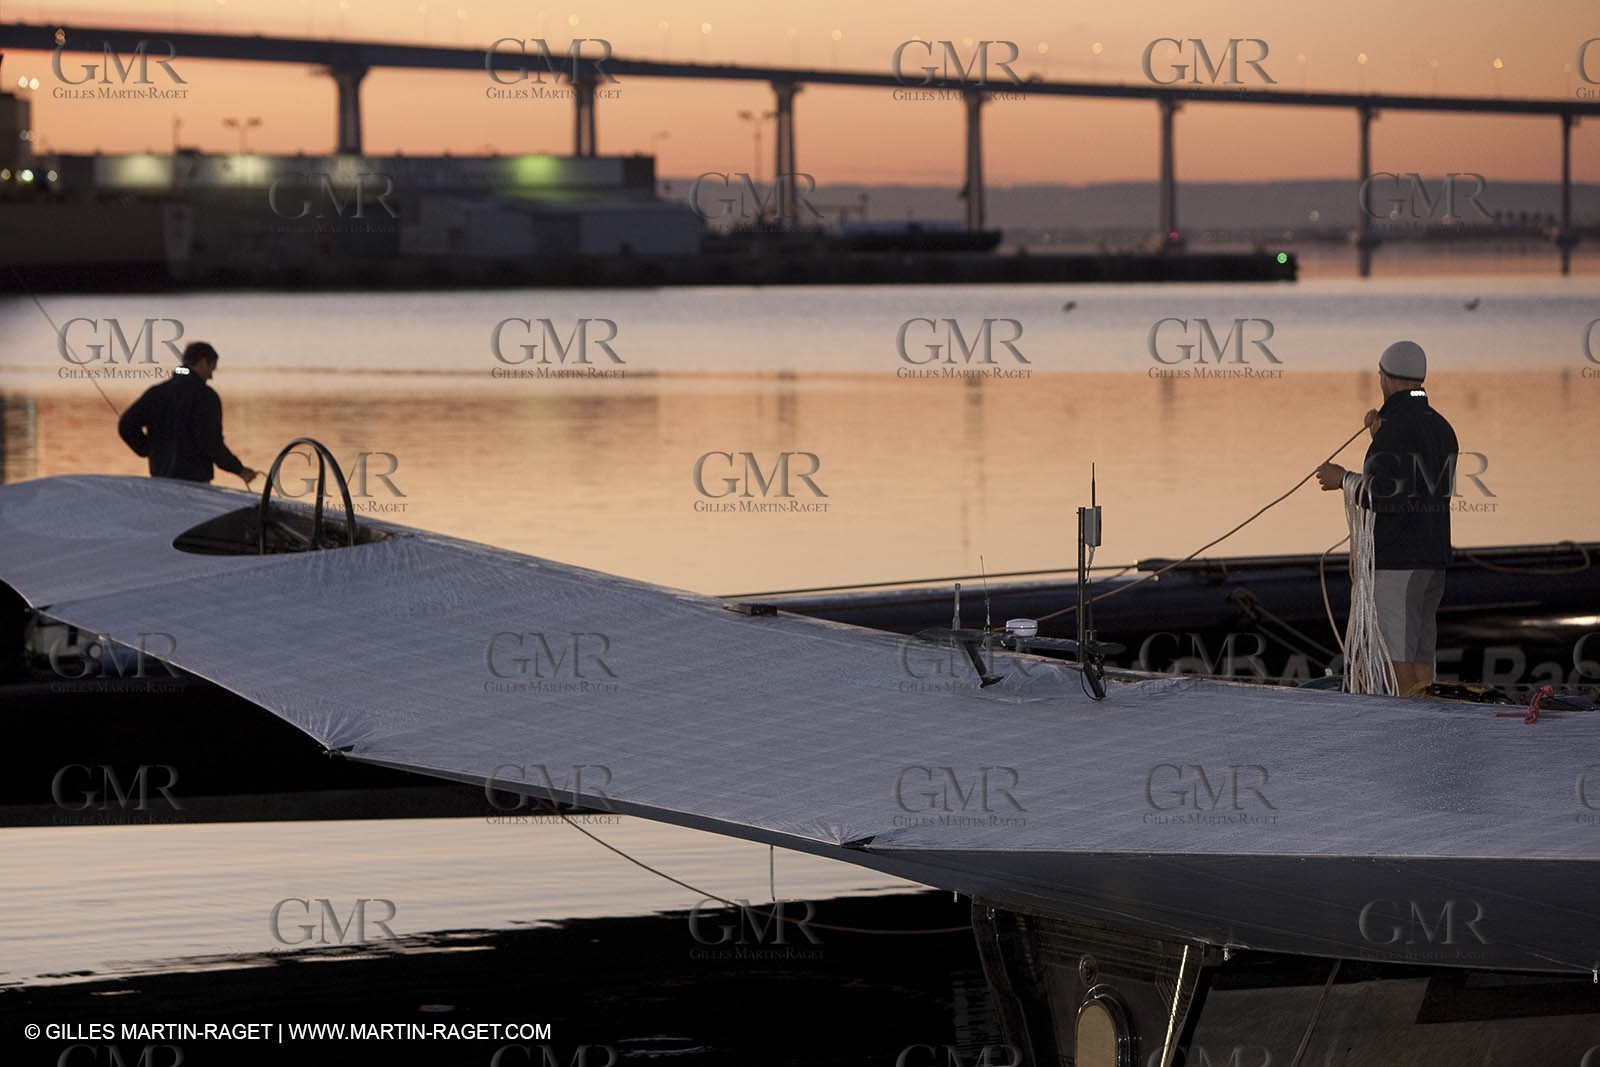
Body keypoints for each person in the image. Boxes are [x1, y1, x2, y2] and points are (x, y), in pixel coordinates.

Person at [1316, 340, 1459, 697]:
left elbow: (1387, 496)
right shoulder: (1441, 427)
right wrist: (1380, 436)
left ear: (1386, 378)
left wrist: (1343, 479)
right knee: (1421, 652)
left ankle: (1408, 733)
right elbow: (1415, 484)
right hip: (1433, 559)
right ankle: (1428, 724)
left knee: (1396, 655)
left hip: (1399, 563)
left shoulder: (1396, 430)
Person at [117, 341, 259, 488]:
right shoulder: (206, 396)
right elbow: (211, 443)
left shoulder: (157, 392)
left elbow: (126, 425)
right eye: (211, 369)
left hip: (160, 481)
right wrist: (239, 470)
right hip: (195, 484)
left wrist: (149, 450)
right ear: (203, 362)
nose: (211, 376)